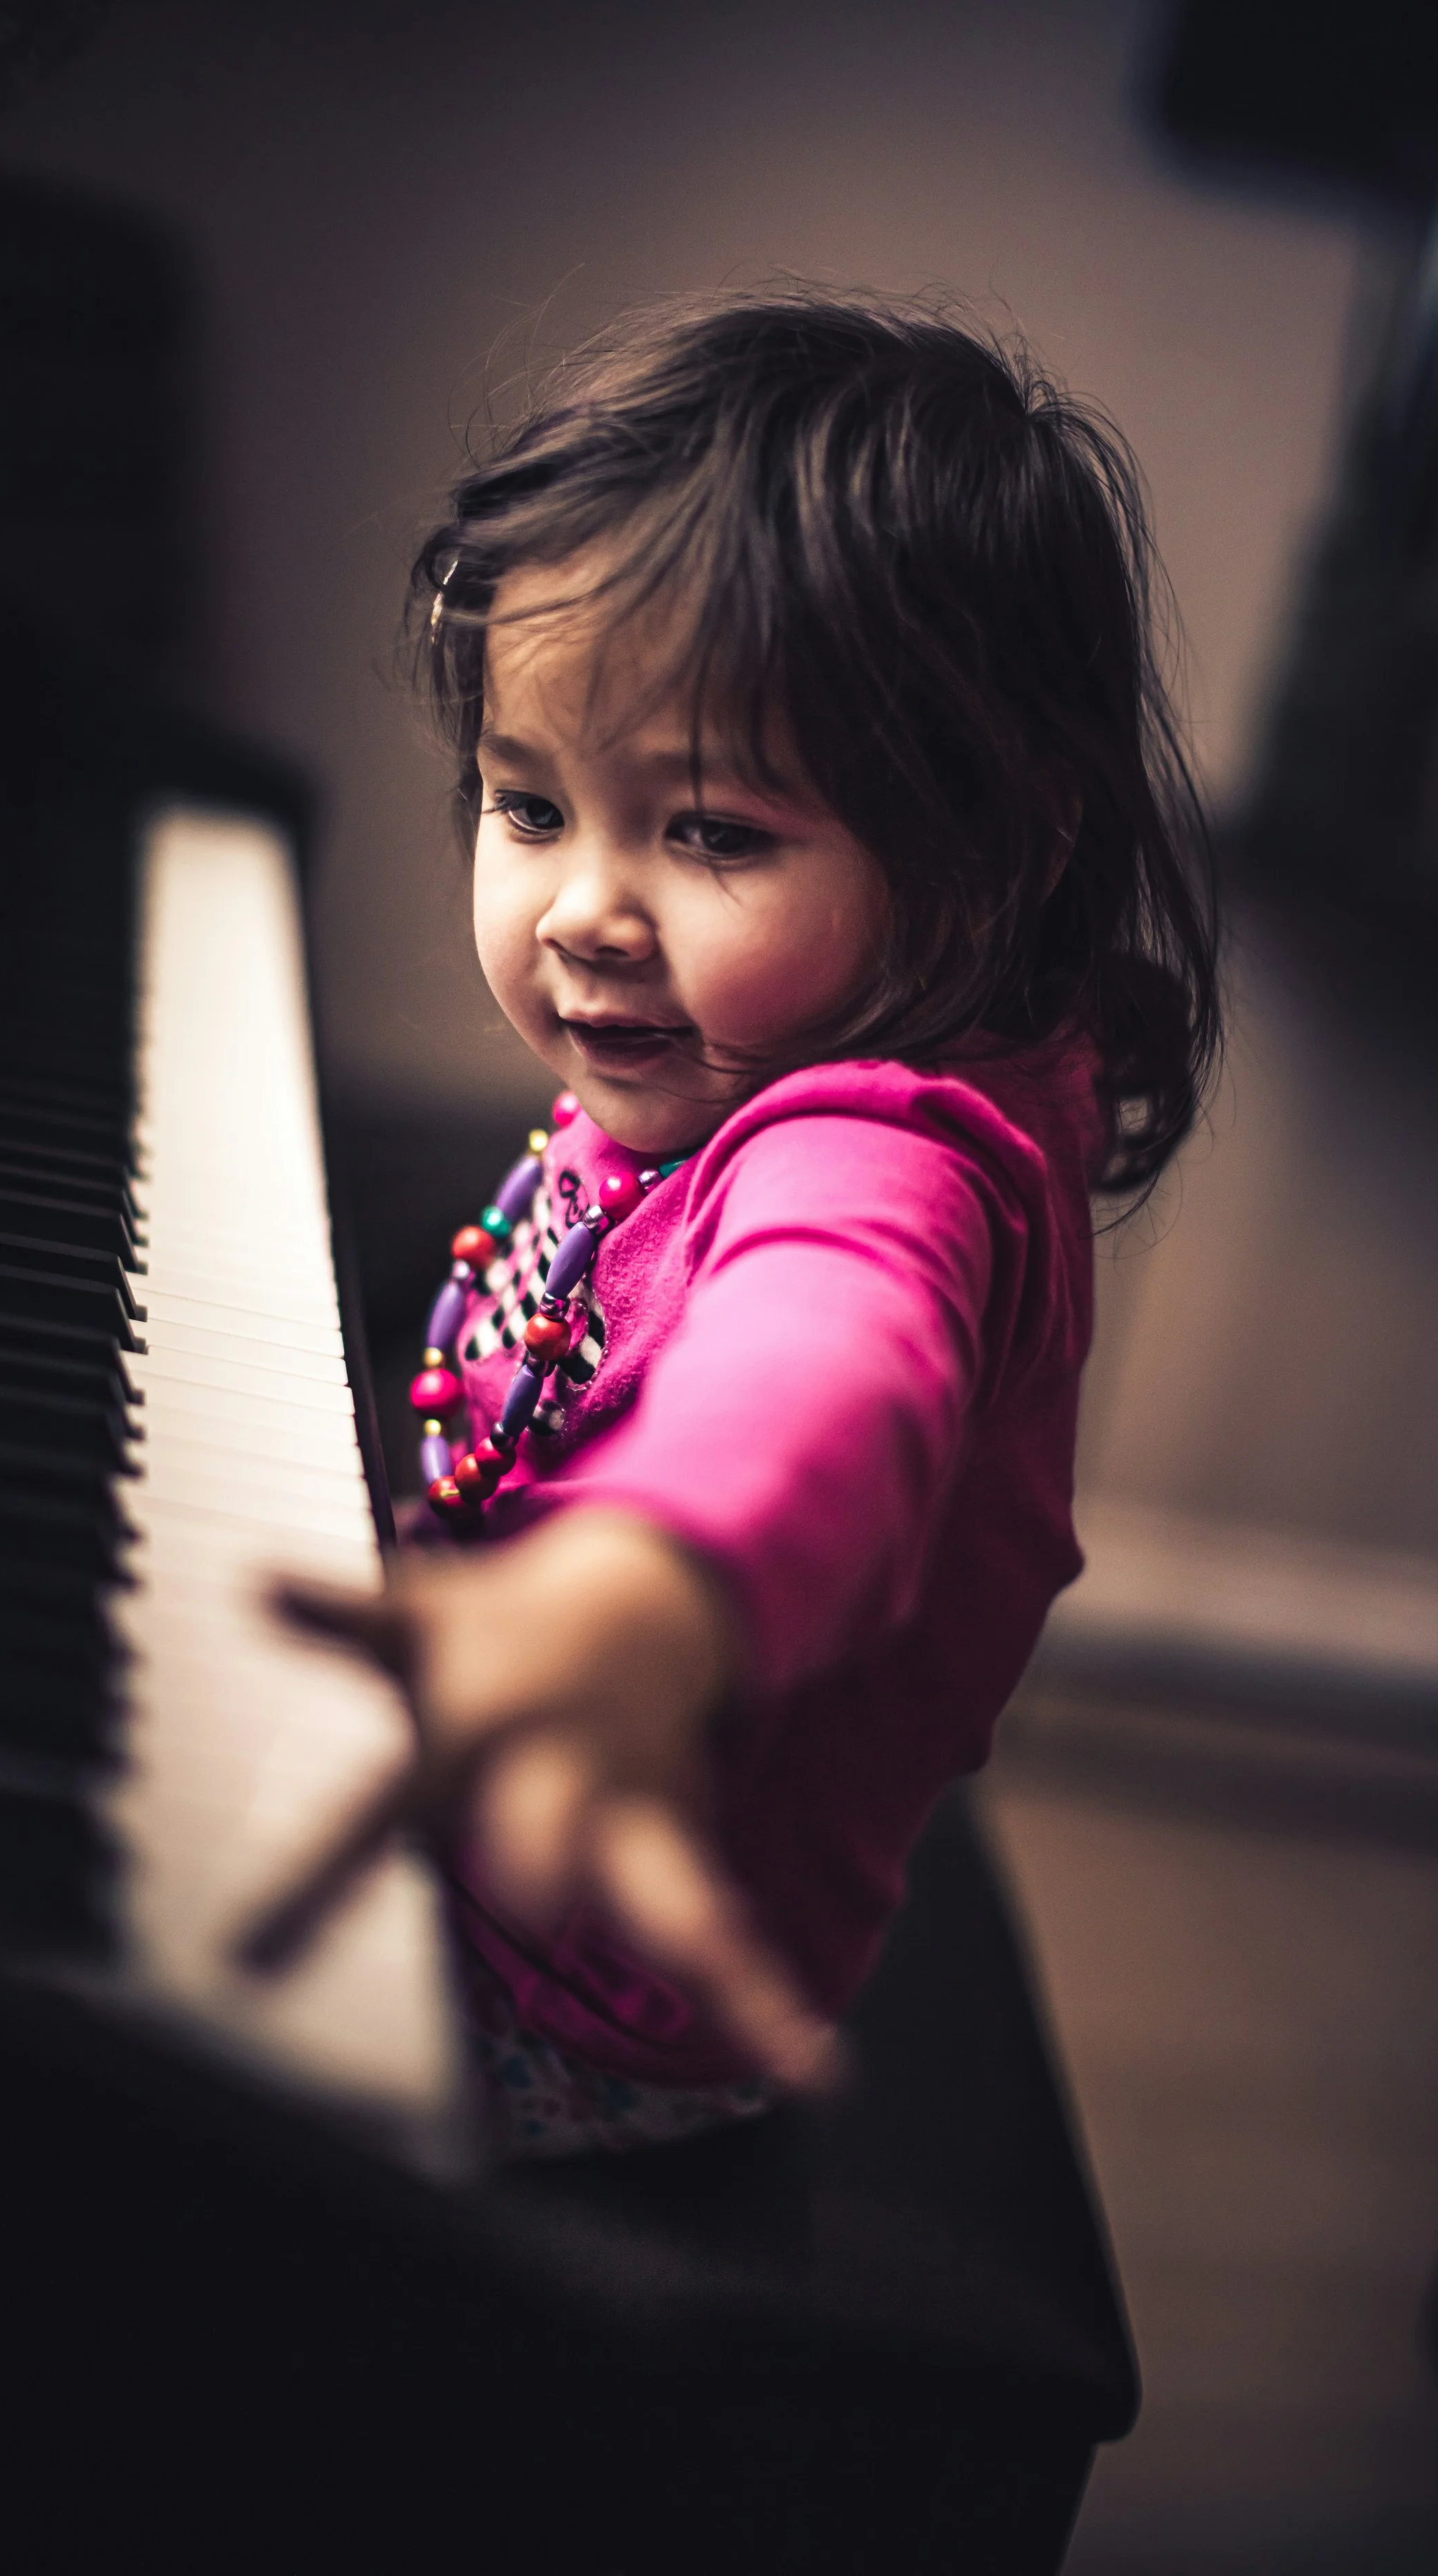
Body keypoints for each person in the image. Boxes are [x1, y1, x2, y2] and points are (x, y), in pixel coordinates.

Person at [267, 287, 1218, 2158]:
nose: (582, 912)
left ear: (996, 841)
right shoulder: (726, 1051)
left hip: (563, 2000)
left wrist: (645, 1595)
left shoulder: (890, 1160)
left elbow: (822, 1373)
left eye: (707, 833)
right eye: (525, 803)